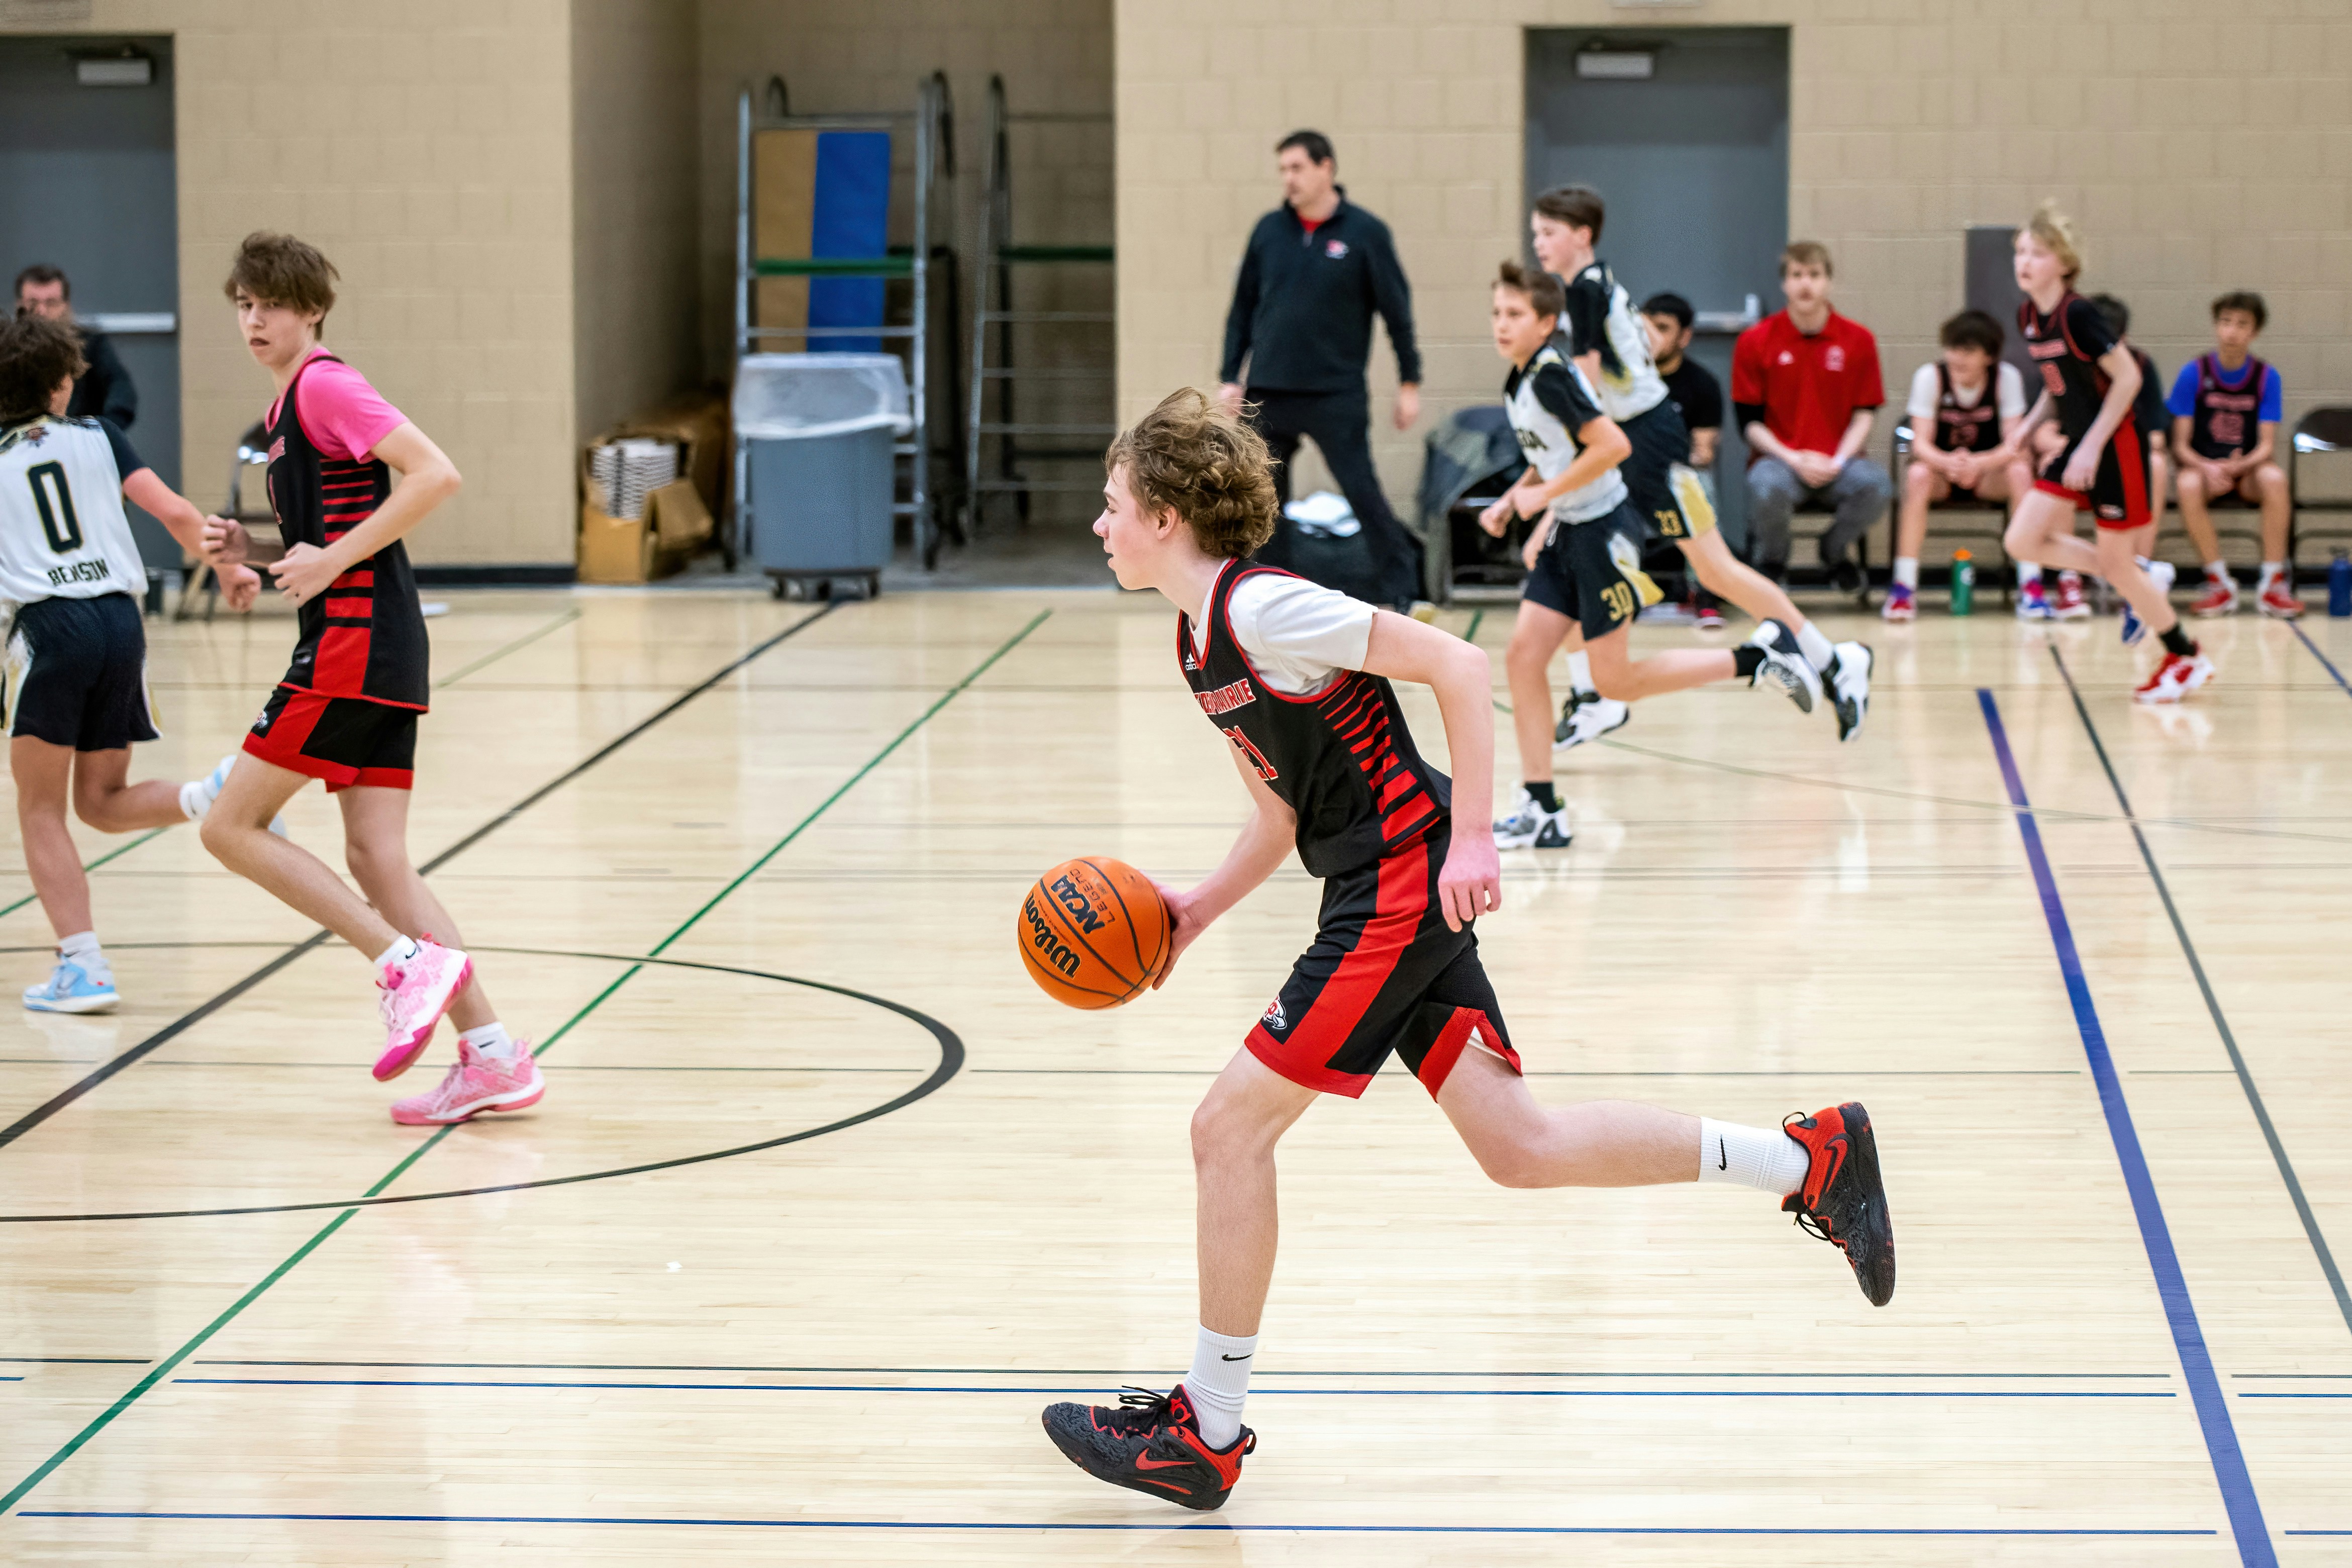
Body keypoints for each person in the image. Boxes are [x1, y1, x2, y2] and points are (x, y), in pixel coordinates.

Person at [1040, 386, 1895, 1511]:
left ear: (1164, 517)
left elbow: (1460, 665)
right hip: (1371, 879)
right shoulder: (1201, 646)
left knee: (1225, 1129)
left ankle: (1208, 1428)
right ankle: (1810, 1160)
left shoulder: (1269, 610)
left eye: (1112, 506)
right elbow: (1281, 817)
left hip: (1400, 882)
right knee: (1520, 1146)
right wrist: (1196, 909)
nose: (1099, 526)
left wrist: (1479, 833)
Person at [193, 232, 542, 1124]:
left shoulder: (326, 384)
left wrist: (330, 557)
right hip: (374, 641)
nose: (255, 318)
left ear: (311, 309)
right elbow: (323, 540)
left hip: (354, 643)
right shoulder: (284, 415)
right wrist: (254, 549)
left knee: (230, 825)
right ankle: (494, 1055)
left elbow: (435, 475)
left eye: (271, 303)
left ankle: (400, 963)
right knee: (375, 855)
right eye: (243, 303)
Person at [1479, 262, 1820, 850]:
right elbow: (1558, 453)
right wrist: (1516, 499)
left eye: (1514, 315)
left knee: (1614, 681)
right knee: (1522, 658)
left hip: (1604, 531)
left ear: (1546, 323)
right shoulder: (1521, 378)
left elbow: (1613, 445)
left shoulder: (1554, 376)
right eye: (1497, 314)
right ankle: (1542, 808)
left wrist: (1541, 497)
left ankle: (1754, 658)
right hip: (1571, 529)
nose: (1502, 326)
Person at [1530, 190, 1871, 747]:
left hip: (1644, 444)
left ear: (1582, 235)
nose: (1539, 243)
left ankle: (1831, 661)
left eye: (1548, 232)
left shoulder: (1587, 289)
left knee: (1713, 571)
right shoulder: (1596, 284)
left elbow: (1589, 389)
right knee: (1575, 554)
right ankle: (1594, 696)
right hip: (1636, 440)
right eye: (1537, 233)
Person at [0, 312, 267, 1013]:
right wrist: (229, 567)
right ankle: (210, 795)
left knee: (39, 808)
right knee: (98, 802)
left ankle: (82, 967)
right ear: (64, 384)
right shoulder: (100, 436)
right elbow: (178, 513)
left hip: (49, 626)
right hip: (122, 623)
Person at [2001, 204, 2210, 703]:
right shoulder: (2030, 316)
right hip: (2078, 443)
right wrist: (2028, 428)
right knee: (2022, 540)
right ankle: (2144, 579)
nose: (2024, 261)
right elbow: (2059, 385)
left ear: (2065, 263)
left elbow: (2129, 378)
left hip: (2115, 446)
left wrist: (2091, 447)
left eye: (2038, 252)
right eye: (2021, 252)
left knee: (2117, 568)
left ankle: (2184, 657)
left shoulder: (2079, 313)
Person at [1217, 131, 1427, 615]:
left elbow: (1398, 313)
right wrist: (1231, 375)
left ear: (1325, 168)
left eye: (1297, 168)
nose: (1288, 179)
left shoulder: (1365, 233)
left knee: (1362, 490)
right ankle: (1267, 592)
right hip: (1269, 389)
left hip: (1336, 393)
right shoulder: (1268, 230)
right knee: (1262, 498)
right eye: (1283, 170)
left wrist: (1409, 383)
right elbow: (1242, 308)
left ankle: (1403, 589)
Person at [1732, 242, 1895, 593]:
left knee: (1877, 486)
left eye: (1815, 275)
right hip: (1781, 461)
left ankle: (1834, 552)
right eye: (1797, 275)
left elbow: (1864, 414)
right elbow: (1749, 423)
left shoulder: (1859, 340)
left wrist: (1837, 461)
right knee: (1765, 486)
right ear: (1785, 284)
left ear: (1829, 283)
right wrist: (1794, 458)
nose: (1806, 284)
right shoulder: (1755, 341)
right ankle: (1775, 561)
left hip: (1840, 463)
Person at [1884, 310, 2031, 622]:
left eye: (1967, 351)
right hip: (1942, 472)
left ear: (1988, 356)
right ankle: (1903, 590)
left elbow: (2013, 445)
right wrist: (1949, 462)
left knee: (2021, 471)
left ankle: (2031, 587)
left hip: (1988, 473)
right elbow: (1920, 444)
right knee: (1917, 475)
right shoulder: (1930, 377)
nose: (1956, 357)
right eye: (1952, 348)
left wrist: (1978, 463)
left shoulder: (2007, 379)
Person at [2171, 291, 2295, 619]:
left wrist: (2239, 465)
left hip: (2247, 469)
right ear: (2216, 327)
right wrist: (2208, 467)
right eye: (2226, 322)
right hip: (2204, 469)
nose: (2232, 331)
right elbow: (2180, 445)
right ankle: (2219, 582)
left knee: (2275, 478)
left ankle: (2272, 583)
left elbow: (2267, 445)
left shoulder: (2267, 377)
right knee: (2186, 484)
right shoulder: (2194, 373)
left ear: (2254, 333)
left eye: (2242, 324)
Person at [2085, 295, 2176, 642]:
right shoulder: (2070, 364)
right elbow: (2050, 430)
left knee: (2154, 463)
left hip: (2120, 457)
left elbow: (2155, 434)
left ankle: (2139, 580)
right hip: (2080, 460)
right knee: (2048, 465)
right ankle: (2066, 585)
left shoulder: (2138, 366)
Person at [1640, 291, 1728, 630]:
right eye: (1646, 329)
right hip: (1626, 475)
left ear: (1685, 337)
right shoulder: (1627, 380)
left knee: (1701, 485)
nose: (1652, 338)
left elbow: (1703, 452)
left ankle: (1705, 590)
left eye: (1662, 328)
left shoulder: (1702, 384)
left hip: (1675, 475)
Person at [14, 265, 137, 431]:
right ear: (19, 304)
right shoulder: (7, 350)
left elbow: (119, 385)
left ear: (65, 305)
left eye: (51, 303)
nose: (41, 311)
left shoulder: (89, 344)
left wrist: (106, 430)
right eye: (33, 303)